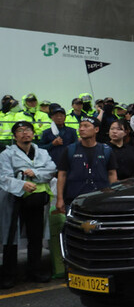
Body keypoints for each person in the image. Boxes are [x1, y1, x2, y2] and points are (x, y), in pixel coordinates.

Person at [0, 121, 56, 287]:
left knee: (35, 236)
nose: (25, 133)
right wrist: (21, 184)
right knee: (11, 237)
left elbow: (51, 169)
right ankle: (9, 274)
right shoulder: (6, 154)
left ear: (33, 133)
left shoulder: (42, 152)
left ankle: (35, 270)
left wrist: (36, 172)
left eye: (28, 130)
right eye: (20, 130)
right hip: (14, 200)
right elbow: (3, 177)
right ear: (15, 135)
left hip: (36, 201)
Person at [35, 103, 76, 279]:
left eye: (62, 115)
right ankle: (53, 245)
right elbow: (39, 149)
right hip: (51, 175)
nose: (59, 118)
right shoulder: (46, 133)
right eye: (56, 115)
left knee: (69, 205)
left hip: (69, 173)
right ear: (51, 117)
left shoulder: (71, 132)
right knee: (54, 209)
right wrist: (52, 143)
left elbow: (76, 148)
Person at [55, 117, 118, 216]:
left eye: (86, 126)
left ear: (96, 129)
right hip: (74, 199)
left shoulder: (106, 150)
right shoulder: (70, 149)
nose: (81, 129)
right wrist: (59, 198)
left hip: (101, 199)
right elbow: (62, 174)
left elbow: (112, 174)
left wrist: (113, 196)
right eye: (80, 126)